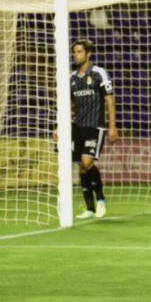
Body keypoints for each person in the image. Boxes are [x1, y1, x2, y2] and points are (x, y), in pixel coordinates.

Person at [54, 39, 119, 219]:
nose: (76, 55)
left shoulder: (99, 74)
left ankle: (101, 199)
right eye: (74, 52)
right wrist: (59, 127)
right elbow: (65, 105)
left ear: (88, 53)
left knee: (87, 163)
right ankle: (89, 208)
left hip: (94, 126)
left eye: (79, 52)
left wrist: (112, 126)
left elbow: (109, 100)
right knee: (81, 168)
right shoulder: (72, 78)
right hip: (77, 127)